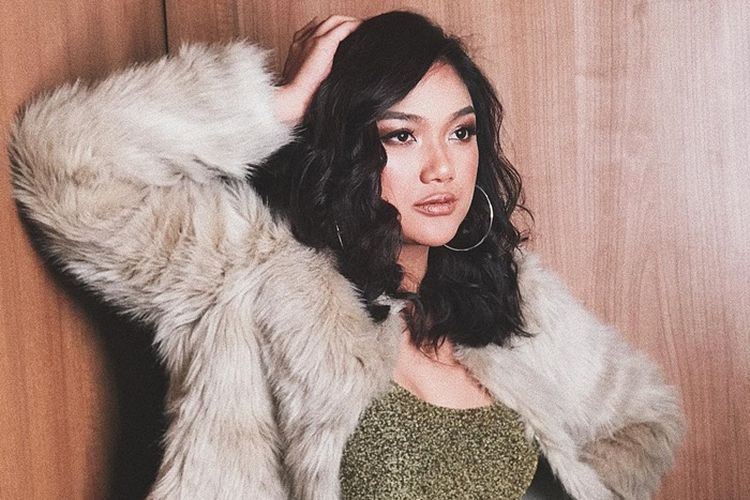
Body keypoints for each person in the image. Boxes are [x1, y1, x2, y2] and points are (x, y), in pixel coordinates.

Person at [9, 10, 684, 500]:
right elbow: (62, 163)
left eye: (462, 132)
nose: (443, 167)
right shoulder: (249, 274)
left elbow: (645, 419)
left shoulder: (510, 297)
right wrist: (279, 106)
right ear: (346, 146)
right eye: (402, 136)